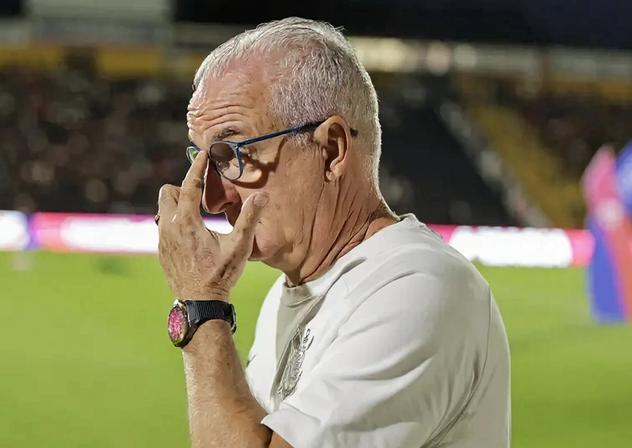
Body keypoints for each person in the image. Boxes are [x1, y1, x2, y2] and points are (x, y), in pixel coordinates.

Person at [156, 17, 510, 448]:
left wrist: (201, 305)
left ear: (332, 150)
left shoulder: (416, 288)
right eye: (204, 159)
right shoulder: (294, 293)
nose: (211, 198)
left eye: (233, 154)